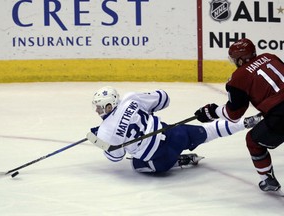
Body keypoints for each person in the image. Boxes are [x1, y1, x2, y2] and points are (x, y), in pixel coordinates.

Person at [86, 86, 260, 174]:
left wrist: (96, 138)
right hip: (175, 135)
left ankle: (177, 161)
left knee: (135, 165)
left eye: (101, 107)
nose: (99, 111)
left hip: (160, 161)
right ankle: (245, 122)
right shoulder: (130, 99)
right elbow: (164, 99)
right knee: (207, 132)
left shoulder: (104, 131)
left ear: (111, 104)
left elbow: (115, 157)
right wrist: (145, 109)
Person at [194, 38, 284, 193]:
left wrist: (212, 111)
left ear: (241, 59)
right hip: (278, 111)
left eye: (235, 59)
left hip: (280, 114)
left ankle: (267, 179)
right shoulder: (271, 56)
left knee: (253, 141)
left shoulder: (239, 77)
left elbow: (233, 114)